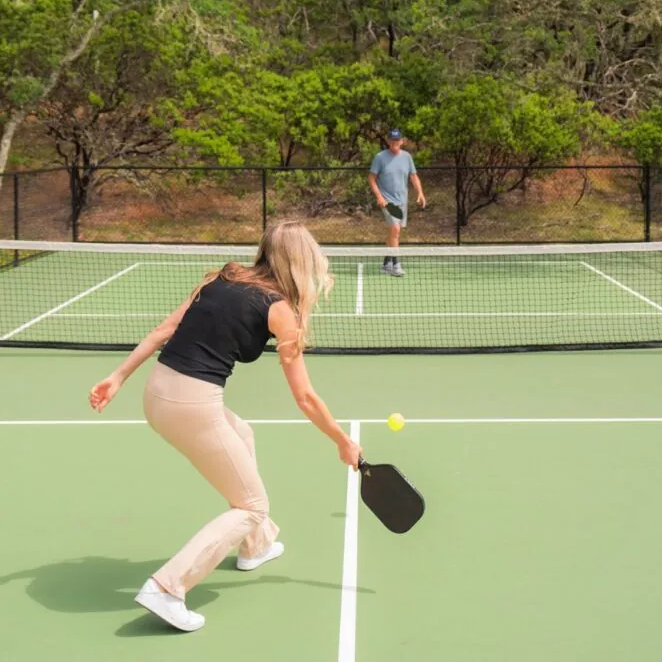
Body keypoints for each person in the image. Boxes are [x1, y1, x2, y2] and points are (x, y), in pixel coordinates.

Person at [88, 222, 362, 633]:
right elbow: (304, 397)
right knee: (252, 507)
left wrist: (119, 376)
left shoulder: (225, 275)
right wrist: (342, 440)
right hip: (191, 404)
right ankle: (167, 588)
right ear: (303, 262)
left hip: (157, 393)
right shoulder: (280, 310)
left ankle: (256, 546)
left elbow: (166, 330)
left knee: (242, 433)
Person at [367, 128, 426, 277]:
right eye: (392, 140)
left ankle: (386, 262)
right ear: (388, 141)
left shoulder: (407, 157)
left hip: (402, 201)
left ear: (401, 141)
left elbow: (413, 176)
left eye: (397, 140)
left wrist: (420, 193)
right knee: (395, 229)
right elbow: (371, 178)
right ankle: (396, 264)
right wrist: (380, 197)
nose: (394, 143)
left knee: (394, 232)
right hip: (387, 201)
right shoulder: (380, 157)